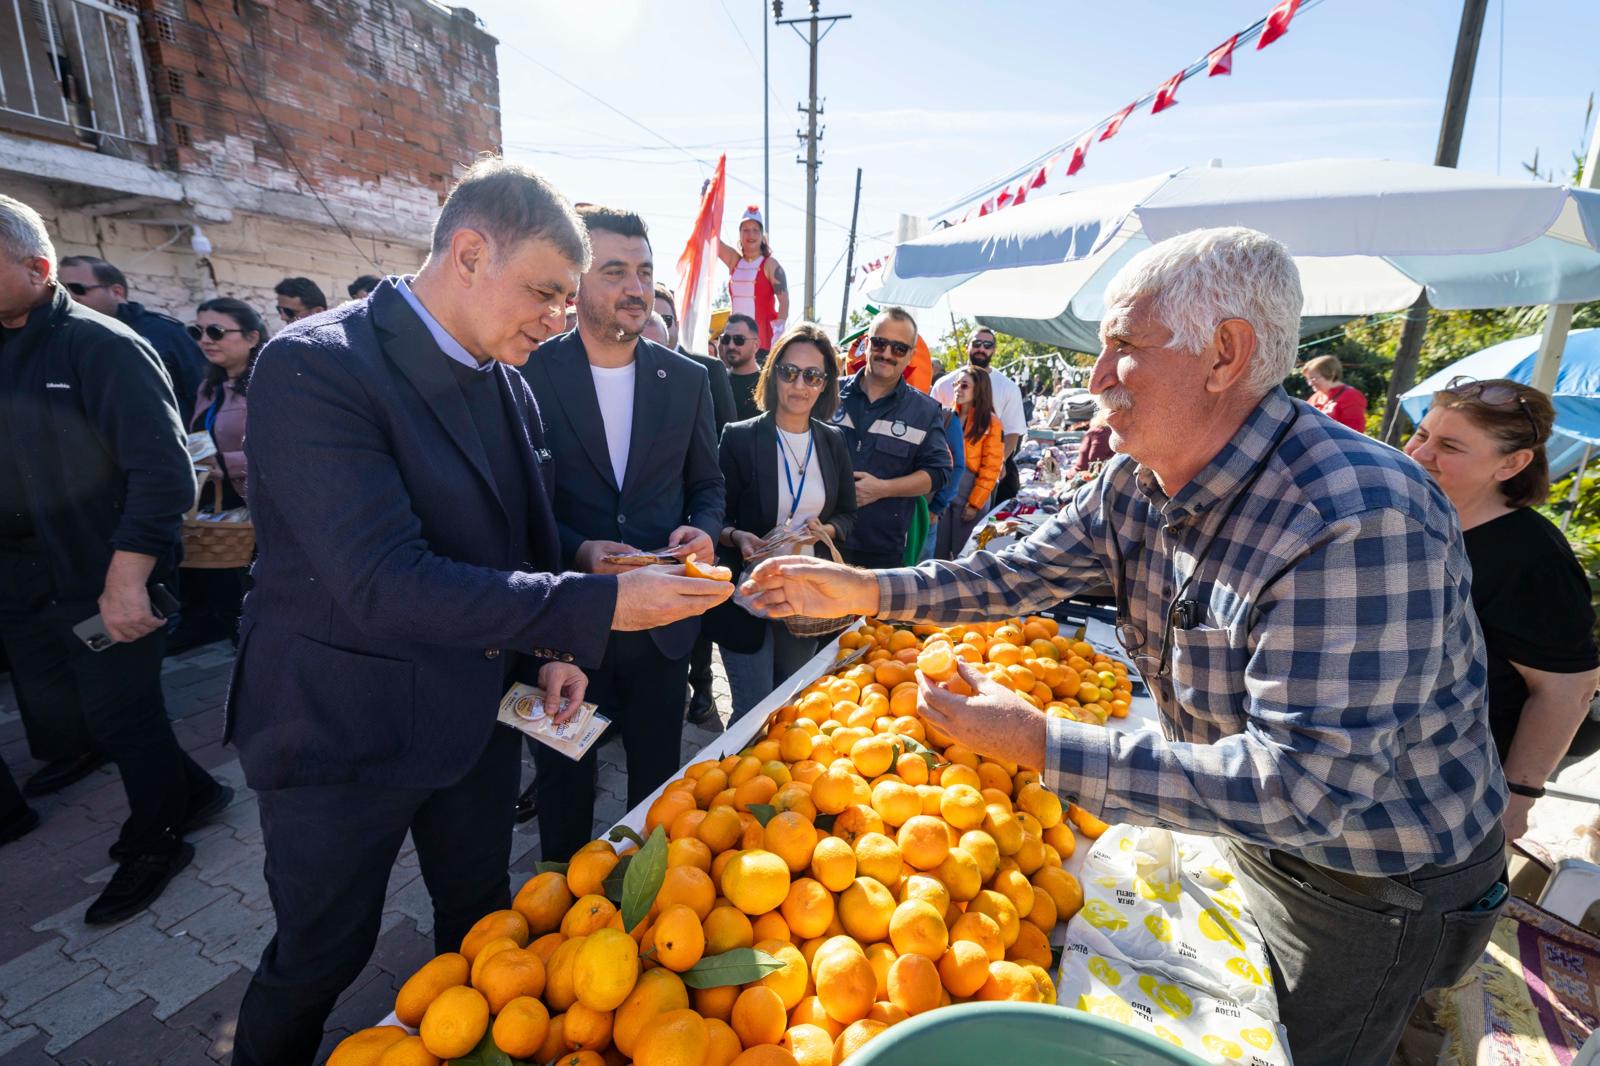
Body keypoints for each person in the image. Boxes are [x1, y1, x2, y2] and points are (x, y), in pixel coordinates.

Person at [743, 227, 1508, 1066]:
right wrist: (867, 588)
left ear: (1224, 354)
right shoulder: (1137, 481)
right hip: (1248, 837)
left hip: (1368, 889)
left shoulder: (1357, 519)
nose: (1098, 378)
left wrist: (1038, 740)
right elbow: (1012, 577)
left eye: (1122, 348)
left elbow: (1304, 787)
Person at [227, 162, 730, 1066]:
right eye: (544, 292)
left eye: (564, 296)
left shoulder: (510, 379)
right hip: (345, 732)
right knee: (323, 954)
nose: (555, 317)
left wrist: (552, 633)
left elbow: (510, 548)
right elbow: (383, 579)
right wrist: (598, 603)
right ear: (467, 253)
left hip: (473, 726)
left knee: (482, 931)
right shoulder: (314, 366)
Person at [0, 195, 230, 923]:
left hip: (107, 574)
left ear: (37, 269)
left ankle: (158, 837)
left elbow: (165, 472)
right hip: (27, 576)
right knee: (100, 715)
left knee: (120, 715)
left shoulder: (101, 346)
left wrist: (127, 581)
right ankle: (196, 793)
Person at [519, 204, 725, 863]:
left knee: (657, 780)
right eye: (615, 271)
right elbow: (512, 506)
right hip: (564, 630)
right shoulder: (524, 374)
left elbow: (708, 485)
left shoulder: (688, 379)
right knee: (562, 777)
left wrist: (705, 530)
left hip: (662, 631)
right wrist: (576, 549)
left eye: (643, 271)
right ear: (576, 281)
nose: (635, 287)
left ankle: (648, 898)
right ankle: (557, 904)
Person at [1404, 378, 1599, 841]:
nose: (1420, 454)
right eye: (1422, 434)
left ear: (1512, 463)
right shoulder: (1414, 518)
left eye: (1449, 445)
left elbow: (1566, 691)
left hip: (1461, 797)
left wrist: (1516, 798)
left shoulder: (1534, 561)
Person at [717, 324, 856, 719]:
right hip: (749, 593)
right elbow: (712, 513)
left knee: (790, 705)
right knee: (751, 710)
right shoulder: (740, 437)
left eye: (812, 375)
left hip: (805, 595)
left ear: (825, 383)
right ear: (772, 372)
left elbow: (848, 513)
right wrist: (736, 535)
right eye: (789, 371)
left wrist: (826, 530)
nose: (800, 384)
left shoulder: (833, 442)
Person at [655, 284, 739, 726]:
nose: (658, 325)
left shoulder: (701, 371)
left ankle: (703, 684)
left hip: (689, 522)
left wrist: (706, 525)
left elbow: (718, 445)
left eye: (667, 318)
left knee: (695, 611)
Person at [168, 297, 263, 652]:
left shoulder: (268, 382)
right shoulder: (209, 385)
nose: (205, 339)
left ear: (252, 337)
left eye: (217, 331)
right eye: (198, 331)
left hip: (260, 504)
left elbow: (286, 447)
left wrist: (227, 464)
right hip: (222, 507)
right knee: (226, 592)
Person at [830, 307, 952, 568]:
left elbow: (939, 472)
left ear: (910, 356)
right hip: (821, 539)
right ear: (866, 344)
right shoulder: (828, 394)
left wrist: (882, 489)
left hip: (880, 552)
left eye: (898, 348)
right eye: (879, 343)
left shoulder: (925, 411)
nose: (886, 354)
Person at [58, 254, 208, 416]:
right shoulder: (62, 339)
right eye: (61, 289)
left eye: (77, 289)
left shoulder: (165, 332)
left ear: (116, 292)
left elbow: (201, 393)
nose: (70, 297)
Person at [931, 327, 1028, 502]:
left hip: (984, 472)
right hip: (944, 469)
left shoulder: (1008, 388)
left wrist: (998, 463)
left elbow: (1012, 433)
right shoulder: (944, 384)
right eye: (976, 344)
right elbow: (931, 426)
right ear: (967, 347)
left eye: (987, 345)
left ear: (993, 350)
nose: (981, 349)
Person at [933, 366, 1003, 559]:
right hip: (946, 486)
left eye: (964, 385)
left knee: (965, 554)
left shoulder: (991, 423)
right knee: (937, 551)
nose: (958, 389)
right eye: (956, 384)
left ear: (978, 389)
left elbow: (991, 467)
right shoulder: (945, 415)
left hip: (971, 490)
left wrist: (975, 503)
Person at [716, 205, 788, 353]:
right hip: (734, 341)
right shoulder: (734, 260)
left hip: (761, 343)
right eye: (746, 230)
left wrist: (778, 333)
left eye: (756, 230)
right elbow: (713, 240)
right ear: (740, 235)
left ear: (762, 236)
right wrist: (708, 203)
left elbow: (784, 301)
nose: (751, 235)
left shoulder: (770, 264)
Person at [1302, 353, 1367, 433]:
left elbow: (1355, 431)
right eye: (1308, 379)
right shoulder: (1315, 397)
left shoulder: (1351, 396)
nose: (1310, 383)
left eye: (1313, 378)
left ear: (1331, 374)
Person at [720, 312, 765, 421]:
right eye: (726, 339)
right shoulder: (716, 381)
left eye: (739, 340)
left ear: (756, 345)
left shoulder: (769, 385)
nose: (731, 345)